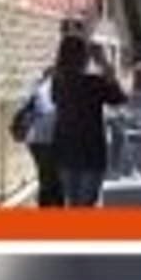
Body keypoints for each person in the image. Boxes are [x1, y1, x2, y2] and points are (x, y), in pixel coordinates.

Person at [50, 35, 127, 207]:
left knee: (73, 203)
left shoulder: (57, 83)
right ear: (84, 57)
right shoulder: (94, 83)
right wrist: (105, 64)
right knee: (86, 205)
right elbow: (120, 98)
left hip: (65, 152)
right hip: (91, 154)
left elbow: (56, 97)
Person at [20, 67, 63, 207]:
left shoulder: (36, 87)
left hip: (34, 139)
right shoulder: (55, 88)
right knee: (54, 178)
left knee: (46, 176)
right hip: (49, 138)